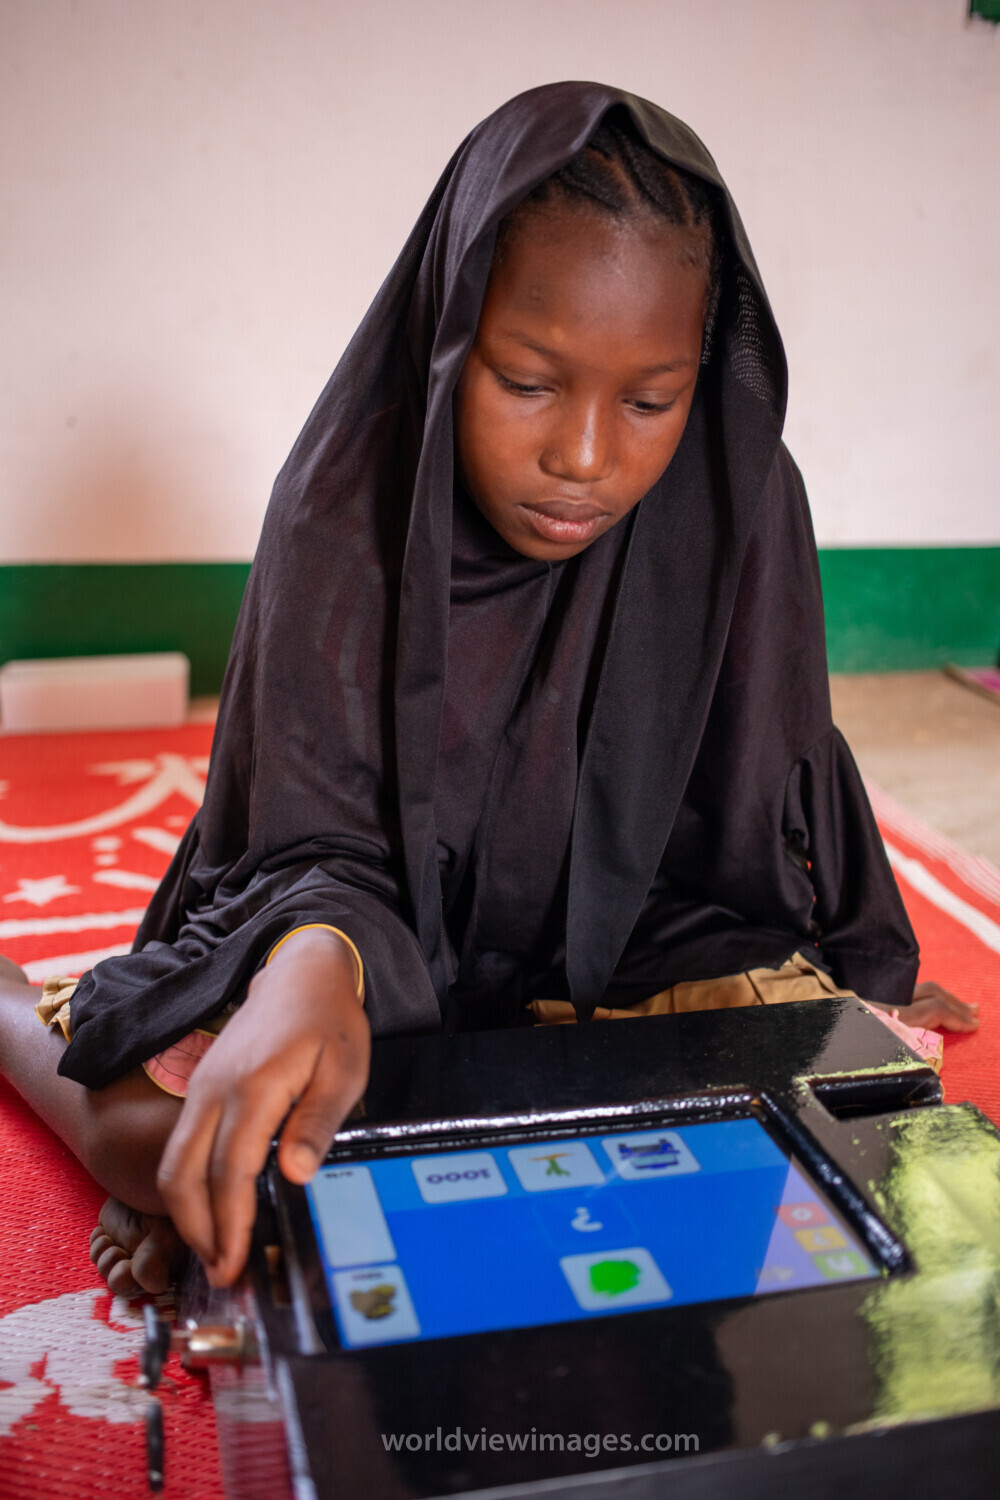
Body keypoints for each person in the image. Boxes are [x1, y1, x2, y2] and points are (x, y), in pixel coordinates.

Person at [0, 83, 977, 1300]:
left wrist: (831, 979)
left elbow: (750, 799)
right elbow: (308, 833)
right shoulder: (342, 500)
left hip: (631, 940)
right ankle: (12, 1002)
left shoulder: (742, 494)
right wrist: (312, 969)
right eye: (526, 381)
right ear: (454, 335)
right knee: (179, 1142)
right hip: (371, 929)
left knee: (845, 1113)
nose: (582, 455)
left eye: (648, 400)